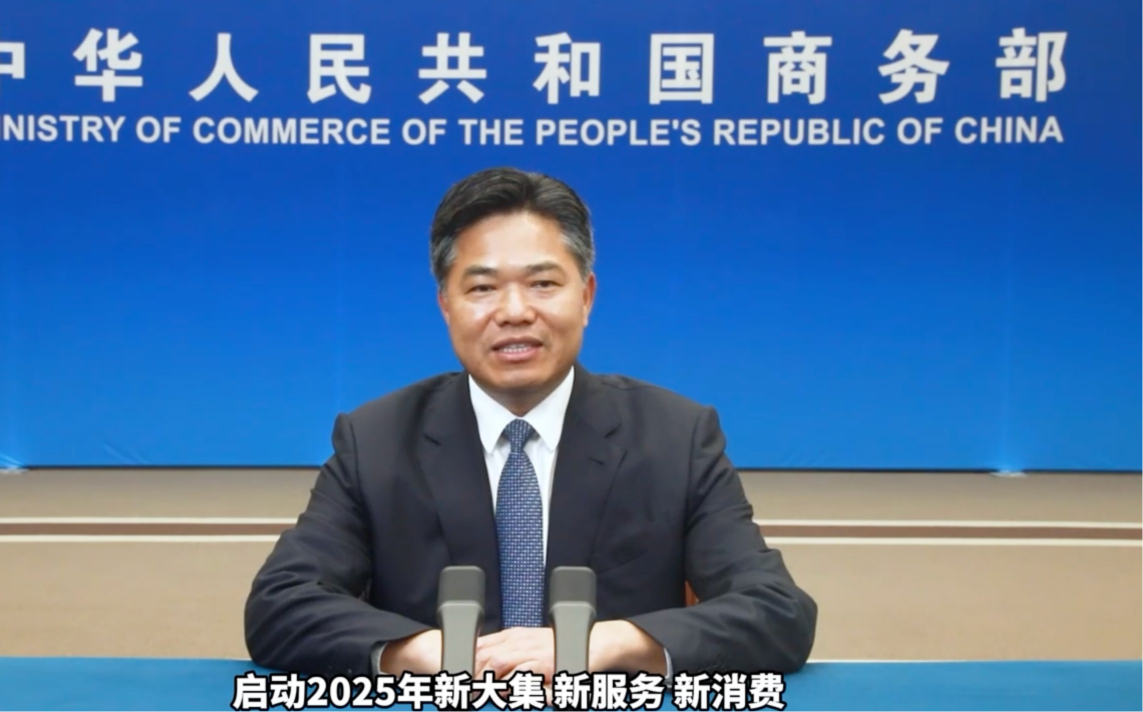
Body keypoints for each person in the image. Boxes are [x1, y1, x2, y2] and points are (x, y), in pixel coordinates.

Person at [244, 167, 817, 681]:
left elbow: (778, 611)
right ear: (445, 305)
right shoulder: (376, 440)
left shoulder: (676, 436)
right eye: (482, 288)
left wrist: (608, 643)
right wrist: (423, 651)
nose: (515, 312)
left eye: (543, 284)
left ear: (586, 297)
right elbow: (279, 605)